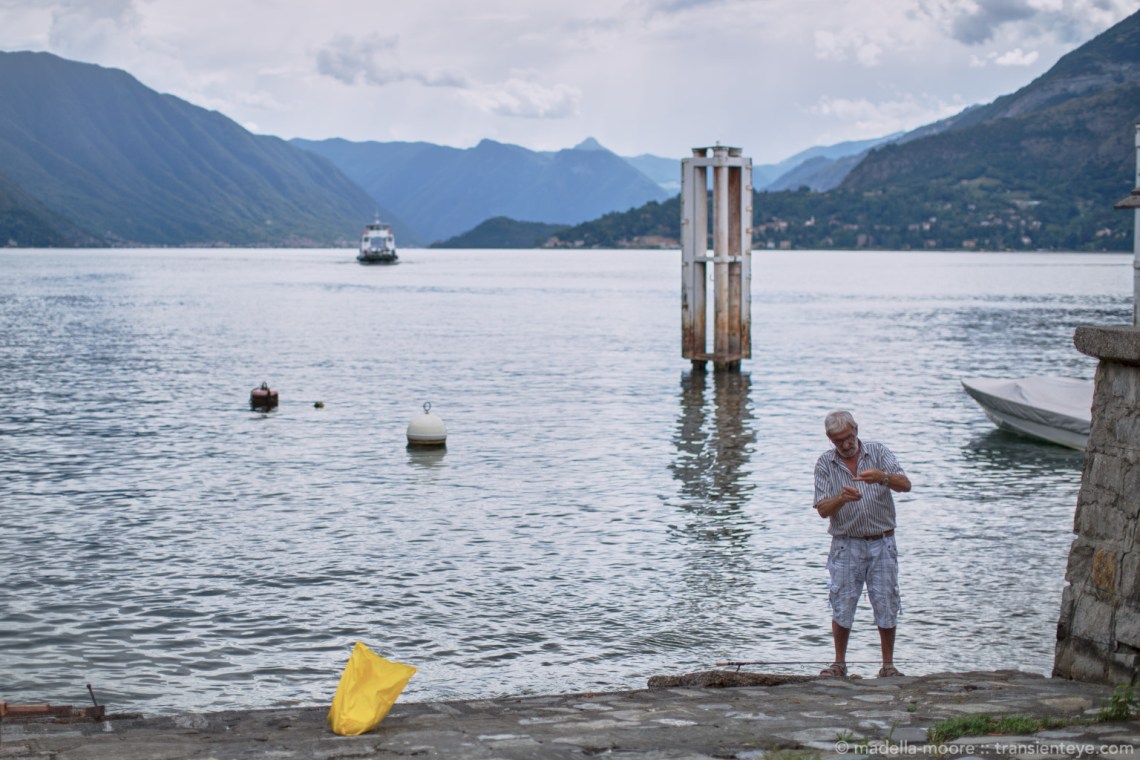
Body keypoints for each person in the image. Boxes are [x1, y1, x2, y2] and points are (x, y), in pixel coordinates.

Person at [813, 410, 912, 678]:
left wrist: (882, 478)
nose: (845, 444)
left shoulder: (878, 452)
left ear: (856, 430)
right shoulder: (825, 463)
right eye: (838, 441)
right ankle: (839, 663)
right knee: (842, 601)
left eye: (848, 437)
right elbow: (822, 509)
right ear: (829, 439)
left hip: (882, 541)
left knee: (886, 600)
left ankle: (888, 665)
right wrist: (842, 498)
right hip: (846, 543)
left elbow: (905, 485)